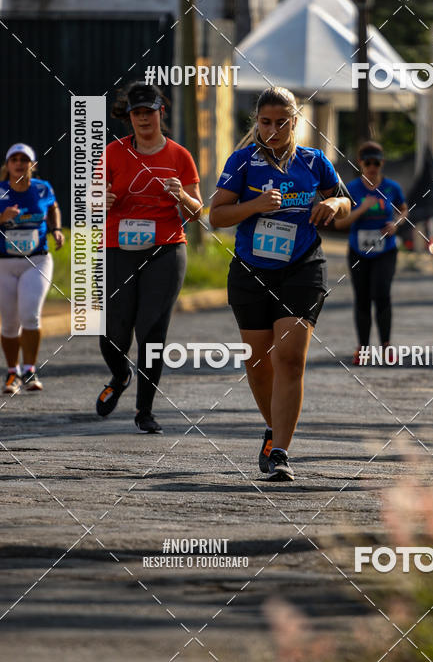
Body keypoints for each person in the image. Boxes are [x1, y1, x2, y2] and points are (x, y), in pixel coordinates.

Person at [209, 86, 351, 481]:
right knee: (257, 362)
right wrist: (254, 205)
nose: (273, 130)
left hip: (302, 267)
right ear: (257, 121)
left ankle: (282, 452)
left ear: (295, 122)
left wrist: (332, 205)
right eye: (266, 122)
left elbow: (344, 202)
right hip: (252, 270)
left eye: (282, 123)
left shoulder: (314, 160)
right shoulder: (243, 162)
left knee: (288, 357)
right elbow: (216, 216)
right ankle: (273, 428)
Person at [95, 82, 202, 433]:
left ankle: (145, 410)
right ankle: (121, 373)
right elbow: (92, 201)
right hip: (118, 248)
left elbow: (199, 211)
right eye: (137, 113)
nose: (143, 118)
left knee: (151, 330)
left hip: (167, 249)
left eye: (149, 112)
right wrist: (101, 202)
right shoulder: (112, 152)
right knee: (113, 331)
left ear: (161, 113)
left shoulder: (179, 155)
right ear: (130, 117)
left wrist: (182, 196)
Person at [334, 141, 407, 365]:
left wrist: (396, 223)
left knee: (382, 293)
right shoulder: (352, 189)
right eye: (368, 163)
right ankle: (363, 348)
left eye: (376, 162)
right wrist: (362, 209)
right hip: (358, 250)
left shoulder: (392, 187)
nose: (372, 167)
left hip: (386, 250)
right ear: (360, 163)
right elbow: (339, 224)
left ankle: (386, 346)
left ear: (382, 163)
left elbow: (403, 210)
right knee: (362, 297)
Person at [0, 143, 64, 393]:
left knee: (30, 314)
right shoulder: (1, 191)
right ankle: (12, 372)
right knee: (8, 323)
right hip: (4, 263)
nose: (19, 163)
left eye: (24, 159)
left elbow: (54, 207)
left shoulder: (42, 188)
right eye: (14, 159)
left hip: (36, 260)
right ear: (7, 165)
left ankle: (29, 370)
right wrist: (3, 219)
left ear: (32, 165)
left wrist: (56, 229)